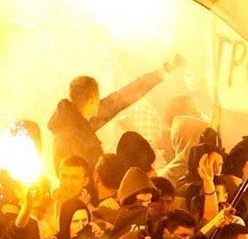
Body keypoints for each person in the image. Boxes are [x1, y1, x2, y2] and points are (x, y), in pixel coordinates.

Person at [46, 59, 180, 172]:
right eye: (98, 97)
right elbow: (68, 175)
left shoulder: (79, 122)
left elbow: (124, 96)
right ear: (92, 99)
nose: (100, 102)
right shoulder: (68, 133)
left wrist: (163, 70)